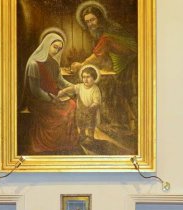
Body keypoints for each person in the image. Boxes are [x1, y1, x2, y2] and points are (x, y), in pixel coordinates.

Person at [70, 3, 138, 135]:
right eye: (87, 22)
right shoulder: (100, 32)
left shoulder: (110, 31)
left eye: (92, 19)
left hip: (130, 64)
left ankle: (125, 125)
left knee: (125, 93)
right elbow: (105, 54)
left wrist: (81, 65)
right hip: (121, 65)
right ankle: (125, 125)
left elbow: (102, 51)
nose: (90, 24)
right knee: (118, 93)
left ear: (100, 18)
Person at [21, 31, 78, 154]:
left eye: (59, 49)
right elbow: (35, 90)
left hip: (54, 95)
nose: (56, 51)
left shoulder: (53, 63)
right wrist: (51, 98)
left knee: (72, 104)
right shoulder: (33, 64)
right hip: (39, 100)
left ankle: (65, 142)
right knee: (62, 114)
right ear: (47, 44)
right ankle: (48, 144)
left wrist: (74, 87)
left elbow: (60, 81)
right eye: (55, 47)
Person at [57, 65, 102, 142]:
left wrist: (91, 108)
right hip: (80, 110)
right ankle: (82, 136)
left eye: (88, 77)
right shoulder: (80, 86)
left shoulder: (95, 89)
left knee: (90, 126)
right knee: (81, 125)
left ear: (94, 78)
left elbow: (97, 102)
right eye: (84, 77)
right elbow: (72, 88)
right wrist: (63, 91)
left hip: (91, 111)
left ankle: (90, 138)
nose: (85, 79)